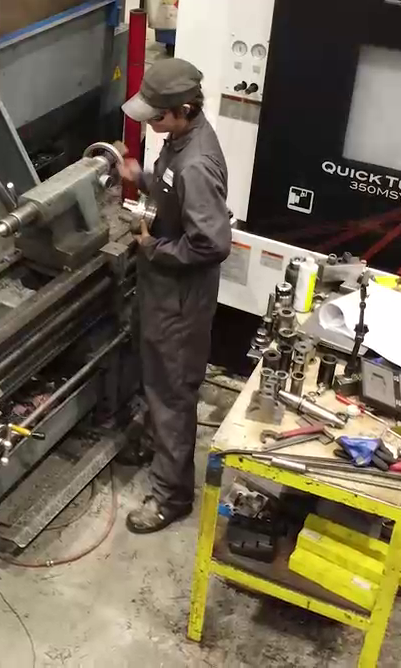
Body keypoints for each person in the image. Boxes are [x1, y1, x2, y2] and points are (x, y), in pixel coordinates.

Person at [117, 58, 233, 534]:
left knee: (172, 391)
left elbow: (212, 244)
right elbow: (170, 188)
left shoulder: (197, 164)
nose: (150, 123)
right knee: (157, 376)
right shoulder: (181, 139)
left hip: (181, 299)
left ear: (183, 109)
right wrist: (140, 176)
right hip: (162, 287)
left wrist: (153, 247)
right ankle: (154, 443)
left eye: (156, 116)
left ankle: (171, 496)